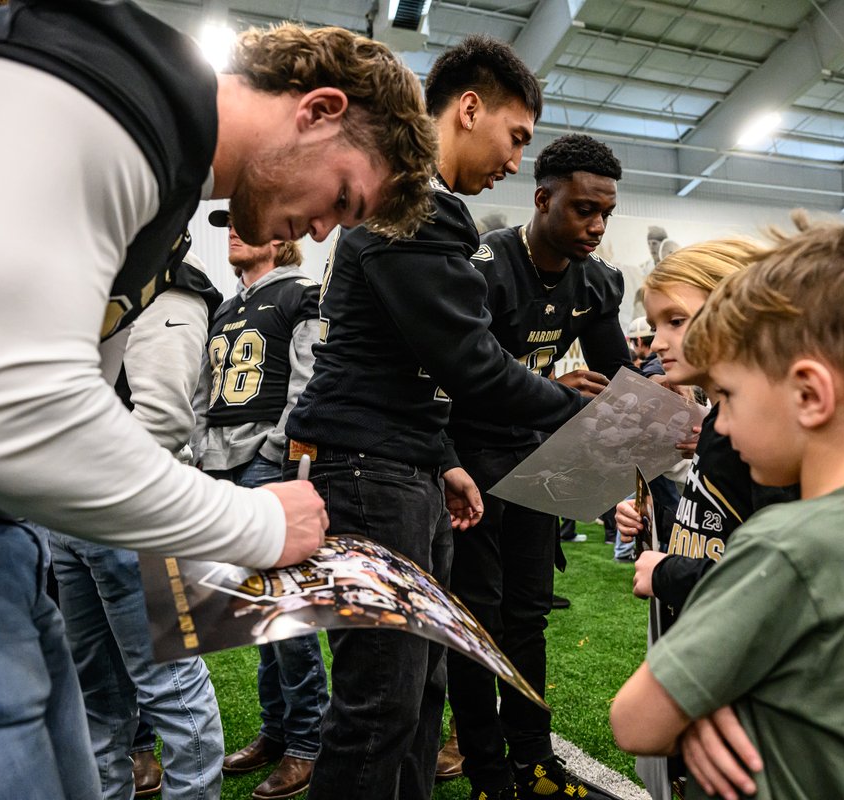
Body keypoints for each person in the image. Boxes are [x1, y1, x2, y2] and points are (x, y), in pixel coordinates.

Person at [0, 1, 436, 794]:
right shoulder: (100, 83)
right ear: (318, 111)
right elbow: (1, 413)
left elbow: (73, 399)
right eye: (341, 199)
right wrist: (253, 522)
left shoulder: (163, 159)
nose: (315, 234)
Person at [283, 36, 592, 800]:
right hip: (369, 471)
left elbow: (413, 363)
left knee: (418, 695)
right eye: (517, 137)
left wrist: (441, 456)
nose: (518, 162)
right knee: (381, 702)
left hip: (399, 464)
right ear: (469, 107)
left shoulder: (424, 207)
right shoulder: (409, 201)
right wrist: (591, 419)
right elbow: (471, 364)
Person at [610, 215, 844, 800]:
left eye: (732, 395)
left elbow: (636, 721)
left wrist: (695, 713)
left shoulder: (789, 545)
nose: (721, 420)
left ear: (809, 394)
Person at [445, 133, 629, 800]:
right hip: (467, 464)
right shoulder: (481, 268)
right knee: (476, 623)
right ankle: (488, 771)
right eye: (584, 210)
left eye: (606, 212)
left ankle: (532, 758)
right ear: (543, 198)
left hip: (535, 460)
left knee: (528, 618)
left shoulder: (597, 279)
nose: (597, 226)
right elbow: (447, 377)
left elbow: (619, 381)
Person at [612, 239, 795, 800]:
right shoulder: (720, 422)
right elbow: (723, 524)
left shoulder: (764, 431)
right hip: (708, 658)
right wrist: (655, 526)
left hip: (751, 691)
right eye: (654, 323)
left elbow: (778, 585)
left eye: (676, 321)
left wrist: (666, 571)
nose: (658, 342)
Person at [49, 252, 227, 800]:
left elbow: (164, 417)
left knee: (170, 694)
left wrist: (89, 494)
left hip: (121, 514)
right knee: (98, 699)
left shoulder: (170, 282)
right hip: (74, 512)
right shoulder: (111, 270)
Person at [199, 212, 329, 800]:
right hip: (221, 462)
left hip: (263, 458)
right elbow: (204, 389)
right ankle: (277, 730)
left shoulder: (301, 295)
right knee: (255, 609)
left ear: (281, 237)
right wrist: (201, 451)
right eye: (227, 224)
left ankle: (307, 740)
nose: (231, 231)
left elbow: (309, 380)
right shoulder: (224, 307)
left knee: (284, 610)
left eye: (245, 223)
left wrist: (278, 450)